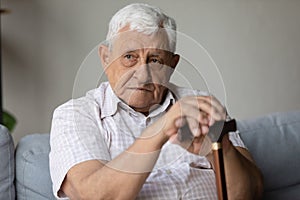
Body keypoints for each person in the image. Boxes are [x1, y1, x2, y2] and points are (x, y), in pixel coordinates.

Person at [49, 3, 263, 200]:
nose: (142, 75)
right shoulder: (76, 115)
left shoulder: (201, 106)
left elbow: (251, 193)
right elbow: (94, 196)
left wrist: (220, 148)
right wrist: (159, 131)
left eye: (155, 60)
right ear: (106, 58)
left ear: (172, 64)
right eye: (130, 57)